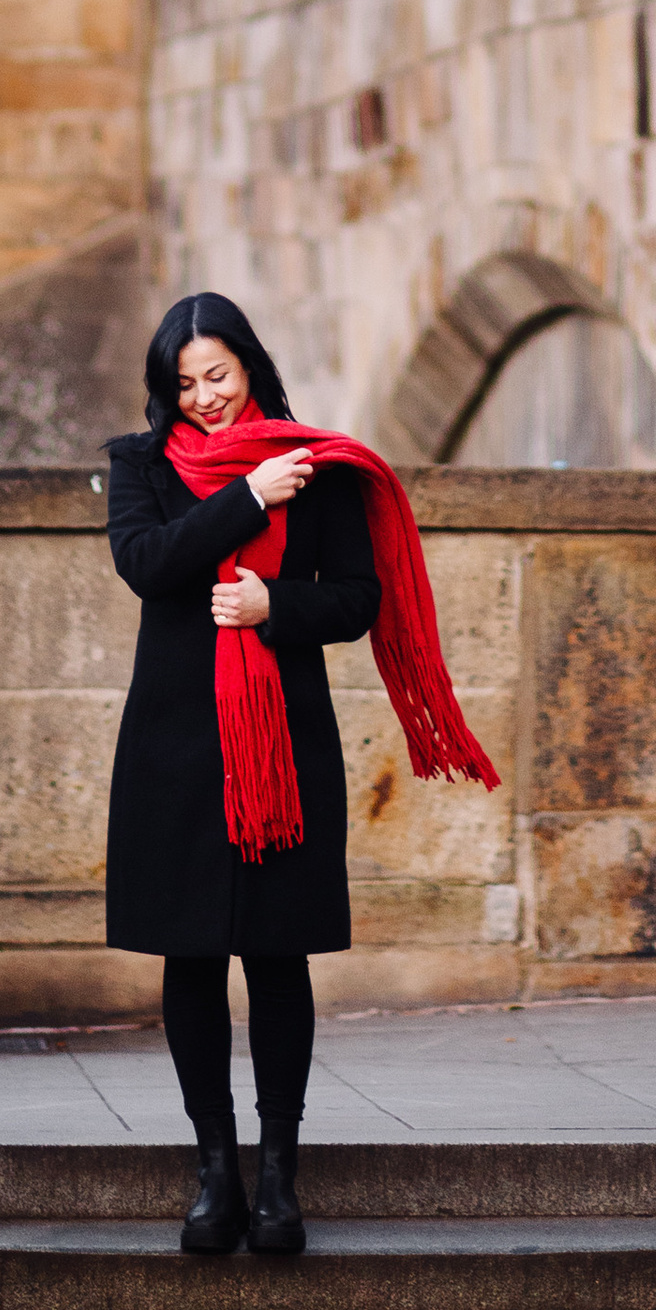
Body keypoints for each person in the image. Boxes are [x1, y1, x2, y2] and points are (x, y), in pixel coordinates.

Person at [103, 292, 498, 1257]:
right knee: (188, 958)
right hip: (176, 749)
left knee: (276, 956)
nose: (202, 397)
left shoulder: (318, 471)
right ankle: (214, 1176)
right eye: (184, 382)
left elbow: (358, 601)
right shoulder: (140, 465)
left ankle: (279, 1177)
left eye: (218, 375)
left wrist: (272, 602)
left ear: (250, 366)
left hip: (284, 740)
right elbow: (147, 564)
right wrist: (248, 499)